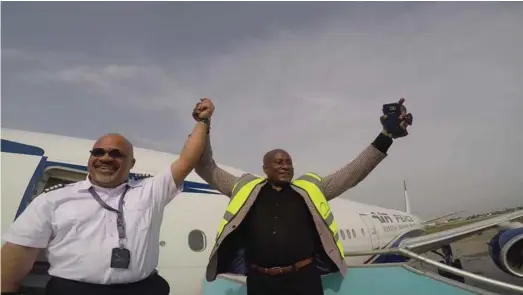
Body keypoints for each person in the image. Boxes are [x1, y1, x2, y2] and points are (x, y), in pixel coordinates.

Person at [193, 98, 412, 295]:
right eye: (278, 162)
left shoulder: (310, 189)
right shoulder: (245, 187)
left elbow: (354, 172)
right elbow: (205, 166)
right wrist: (204, 125)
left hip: (304, 280)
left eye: (288, 162)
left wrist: (386, 136)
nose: (285, 166)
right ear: (265, 168)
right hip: (260, 283)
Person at [0, 98, 215, 295]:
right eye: (98, 152)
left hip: (140, 289)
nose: (105, 158)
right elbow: (19, 251)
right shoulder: (52, 201)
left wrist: (203, 121)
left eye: (116, 154)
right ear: (90, 158)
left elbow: (187, 160)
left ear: (131, 163)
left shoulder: (149, 192)